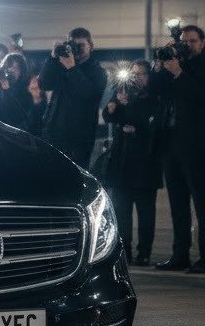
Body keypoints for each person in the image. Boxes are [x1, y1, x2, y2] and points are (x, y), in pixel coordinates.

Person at [152, 24, 205, 272]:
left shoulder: (198, 66)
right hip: (170, 142)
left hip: (196, 145)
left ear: (202, 42)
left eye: (193, 41)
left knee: (201, 202)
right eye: (185, 41)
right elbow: (154, 90)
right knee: (178, 203)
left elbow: (198, 95)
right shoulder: (174, 64)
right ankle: (179, 255)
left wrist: (179, 73)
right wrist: (160, 64)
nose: (188, 45)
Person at [103, 61, 161, 265]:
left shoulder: (153, 96)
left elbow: (147, 121)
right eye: (133, 74)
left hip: (146, 163)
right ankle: (124, 250)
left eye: (141, 74)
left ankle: (144, 252)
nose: (136, 78)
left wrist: (129, 106)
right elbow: (108, 115)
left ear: (148, 76)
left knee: (146, 213)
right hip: (122, 163)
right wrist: (117, 102)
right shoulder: (123, 92)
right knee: (121, 211)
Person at [38, 27, 107, 168]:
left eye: (81, 45)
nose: (77, 49)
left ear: (91, 46)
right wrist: (52, 59)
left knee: (75, 180)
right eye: (73, 45)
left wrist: (72, 68)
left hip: (80, 138)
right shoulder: (61, 66)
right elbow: (44, 84)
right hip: (54, 133)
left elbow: (87, 94)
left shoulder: (97, 71)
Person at [0, 52, 33, 129]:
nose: (10, 70)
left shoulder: (27, 90)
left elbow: (15, 118)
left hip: (15, 134)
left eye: (15, 68)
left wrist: (6, 89)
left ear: (22, 72)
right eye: (7, 67)